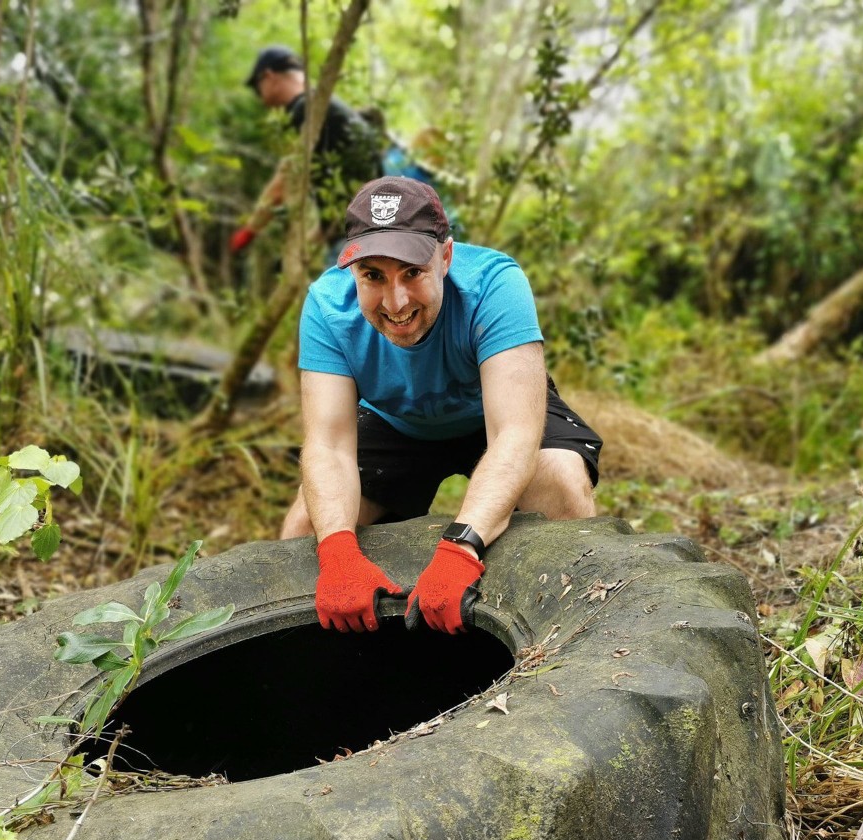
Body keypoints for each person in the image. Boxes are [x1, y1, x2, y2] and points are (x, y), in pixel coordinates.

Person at [280, 175, 603, 637]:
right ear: (350, 270)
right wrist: (338, 554)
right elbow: (328, 445)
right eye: (373, 275)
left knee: (561, 483)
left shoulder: (495, 284)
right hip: (397, 422)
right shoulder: (328, 307)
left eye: (412, 272)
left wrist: (460, 547)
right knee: (307, 525)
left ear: (446, 257)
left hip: (492, 412)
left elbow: (515, 433)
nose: (395, 302)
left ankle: (563, 639)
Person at [229, 46, 383, 255]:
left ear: (269, 76)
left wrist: (250, 229)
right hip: (374, 228)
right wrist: (306, 247)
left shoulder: (305, 109)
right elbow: (340, 201)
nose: (260, 97)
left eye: (258, 88)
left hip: (360, 239)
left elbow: (283, 182)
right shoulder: (324, 104)